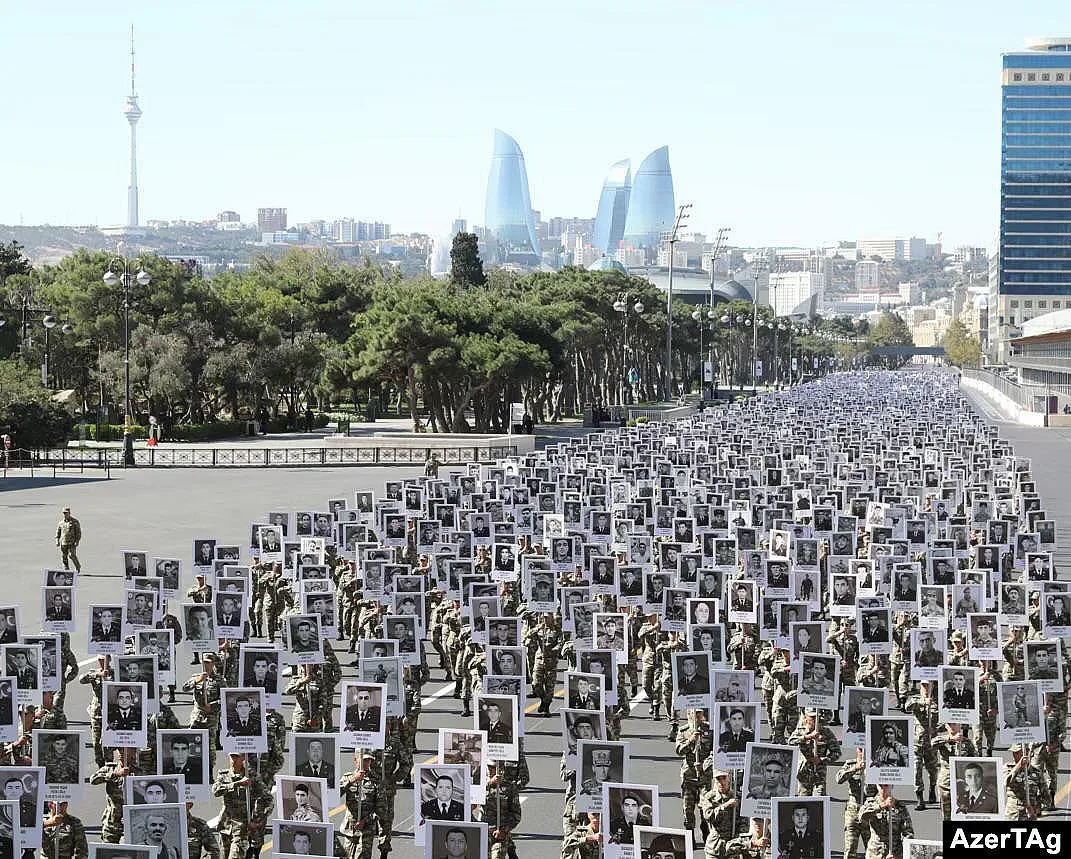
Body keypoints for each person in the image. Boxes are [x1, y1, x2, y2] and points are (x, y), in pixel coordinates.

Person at [55, 507, 82, 573]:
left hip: (72, 542)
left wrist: (77, 541)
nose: (65, 514)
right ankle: (66, 569)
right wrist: (57, 541)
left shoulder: (74, 522)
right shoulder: (61, 523)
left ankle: (77, 566)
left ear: (69, 513)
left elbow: (78, 532)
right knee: (64, 556)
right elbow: (58, 532)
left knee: (71, 555)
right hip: (63, 542)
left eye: (66, 513)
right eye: (64, 513)